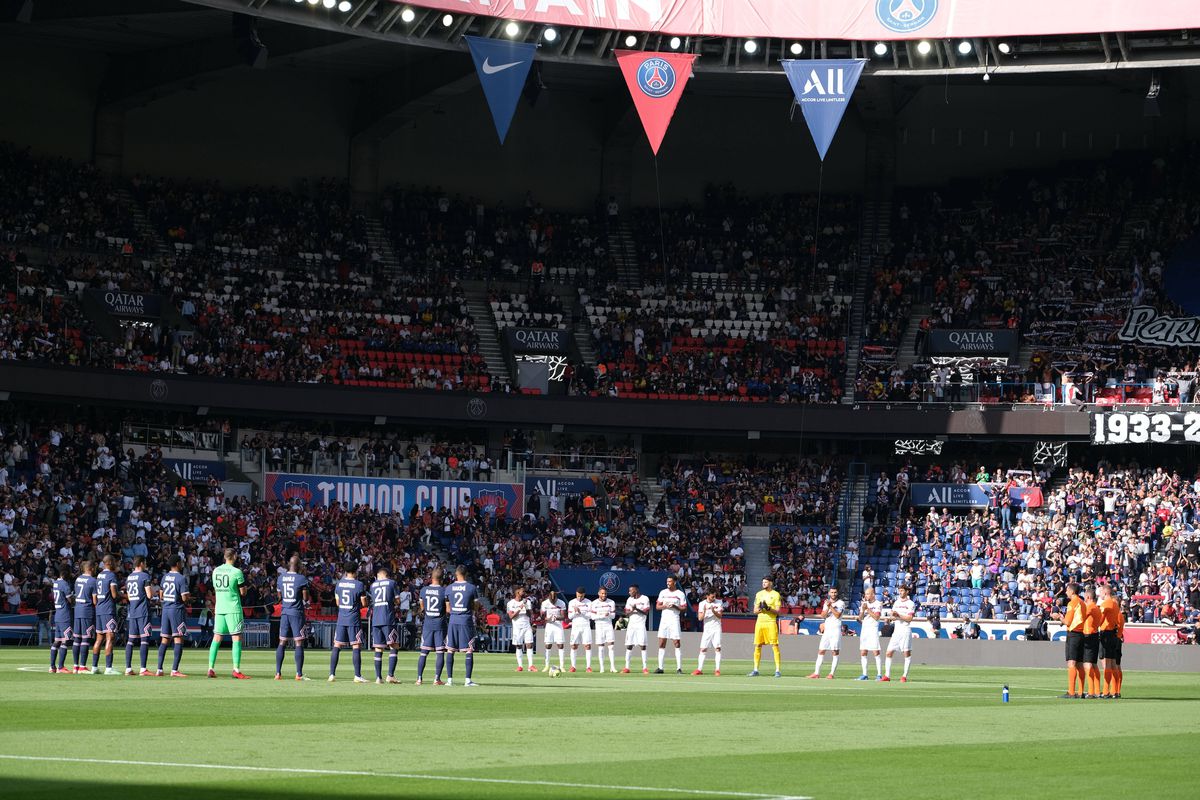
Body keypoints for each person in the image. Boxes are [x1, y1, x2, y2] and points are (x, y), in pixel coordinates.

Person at [207, 548, 249, 680]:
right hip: (233, 608)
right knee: (236, 638)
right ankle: (236, 669)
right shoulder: (237, 572)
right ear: (234, 556)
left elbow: (215, 588)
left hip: (219, 608)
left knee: (217, 638)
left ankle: (210, 668)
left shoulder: (216, 571)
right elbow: (243, 592)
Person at [329, 563, 367, 683]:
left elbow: (337, 603)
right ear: (355, 571)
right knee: (356, 646)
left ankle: (332, 674)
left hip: (341, 618)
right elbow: (364, 603)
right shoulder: (359, 584)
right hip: (353, 619)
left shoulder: (339, 584)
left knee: (337, 645)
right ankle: (357, 675)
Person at [275, 555, 310, 680]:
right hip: (296, 612)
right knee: (298, 642)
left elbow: (279, 596)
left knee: (282, 641)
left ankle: (278, 673)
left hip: (285, 612)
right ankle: (298, 674)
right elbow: (305, 598)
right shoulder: (301, 578)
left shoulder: (281, 578)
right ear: (299, 565)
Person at [444, 565, 479, 686]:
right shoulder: (471, 588)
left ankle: (449, 680)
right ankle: (467, 680)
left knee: (450, 650)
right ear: (466, 574)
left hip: (453, 620)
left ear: (456, 574)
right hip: (466, 620)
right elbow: (476, 606)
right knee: (469, 649)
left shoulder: (449, 588)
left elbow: (447, 609)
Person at [156, 556, 191, 678]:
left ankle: (159, 669)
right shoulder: (181, 578)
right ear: (177, 563)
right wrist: (188, 598)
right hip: (176, 610)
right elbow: (184, 598)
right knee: (178, 639)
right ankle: (174, 670)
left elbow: (161, 595)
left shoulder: (164, 577)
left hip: (165, 609)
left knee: (165, 639)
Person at [369, 566, 401, 684]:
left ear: (379, 576)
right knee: (394, 645)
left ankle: (378, 677)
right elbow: (398, 601)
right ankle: (390, 675)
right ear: (387, 575)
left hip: (376, 619)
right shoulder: (392, 583)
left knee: (378, 648)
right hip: (388, 618)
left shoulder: (373, 585)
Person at [1054, 582, 1087, 698]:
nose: (1066, 592)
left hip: (1073, 634)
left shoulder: (1072, 603)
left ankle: (1072, 692)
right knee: (1079, 664)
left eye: (1067, 590)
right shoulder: (1082, 603)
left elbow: (1068, 622)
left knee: (1071, 662)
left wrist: (1059, 617)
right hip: (1081, 634)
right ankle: (1081, 691)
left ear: (1072, 591)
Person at [123, 556, 155, 676]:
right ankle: (143, 669)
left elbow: (129, 596)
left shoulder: (129, 577)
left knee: (131, 640)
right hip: (143, 612)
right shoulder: (145, 576)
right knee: (144, 639)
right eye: (145, 562)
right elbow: (149, 595)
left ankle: (128, 668)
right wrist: (152, 592)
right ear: (141, 563)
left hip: (133, 611)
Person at [416, 567, 446, 685]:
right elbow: (447, 609)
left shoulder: (424, 590)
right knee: (440, 652)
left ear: (431, 577)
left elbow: (422, 606)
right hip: (440, 623)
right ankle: (436, 679)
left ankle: (419, 679)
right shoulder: (444, 591)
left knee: (424, 652)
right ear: (442, 578)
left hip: (428, 623)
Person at [749, 577, 782, 678]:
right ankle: (755, 669)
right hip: (760, 622)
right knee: (758, 645)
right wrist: (761, 609)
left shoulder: (776, 594)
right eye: (763, 582)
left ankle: (777, 670)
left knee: (774, 645)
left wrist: (768, 608)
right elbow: (754, 611)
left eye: (766, 582)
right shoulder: (759, 594)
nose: (763, 584)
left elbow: (777, 611)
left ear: (770, 583)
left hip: (771, 622)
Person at [92, 555, 120, 675]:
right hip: (108, 610)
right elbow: (114, 595)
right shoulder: (111, 575)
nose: (116, 564)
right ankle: (108, 668)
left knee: (99, 638)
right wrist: (123, 595)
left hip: (99, 609)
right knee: (110, 637)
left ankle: (94, 667)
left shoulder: (99, 576)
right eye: (114, 561)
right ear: (109, 562)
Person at [810, 587, 845, 679]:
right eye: (832, 592)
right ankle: (816, 673)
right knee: (821, 650)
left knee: (835, 651)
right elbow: (823, 615)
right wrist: (827, 607)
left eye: (835, 592)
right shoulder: (827, 603)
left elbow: (837, 615)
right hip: (827, 629)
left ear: (837, 593)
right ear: (829, 593)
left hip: (835, 629)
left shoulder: (841, 603)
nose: (833, 594)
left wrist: (830, 606)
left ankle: (831, 674)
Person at [655, 576, 688, 674]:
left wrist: (674, 606)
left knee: (676, 643)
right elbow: (657, 606)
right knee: (661, 643)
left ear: (675, 582)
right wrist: (665, 606)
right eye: (667, 581)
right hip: (664, 619)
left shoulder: (680, 594)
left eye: (670, 581)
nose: (668, 583)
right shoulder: (663, 592)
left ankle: (679, 668)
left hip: (674, 619)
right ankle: (660, 668)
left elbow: (684, 608)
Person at [883, 584, 916, 682]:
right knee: (889, 652)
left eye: (902, 590)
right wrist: (891, 617)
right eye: (899, 590)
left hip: (905, 630)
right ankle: (887, 676)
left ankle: (904, 676)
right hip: (896, 631)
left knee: (906, 653)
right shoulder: (896, 602)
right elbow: (894, 617)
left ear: (906, 592)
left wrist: (898, 615)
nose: (900, 592)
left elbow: (909, 619)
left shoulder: (910, 604)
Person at [71, 561, 98, 673]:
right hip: (87, 611)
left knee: (77, 639)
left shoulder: (78, 579)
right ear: (91, 568)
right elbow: (95, 600)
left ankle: (75, 666)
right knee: (86, 639)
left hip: (77, 611)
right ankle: (83, 666)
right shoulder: (93, 581)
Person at [1097, 584, 1123, 698]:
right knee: (1113, 663)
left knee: (1107, 663)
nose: (1100, 594)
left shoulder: (1106, 604)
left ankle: (1106, 691)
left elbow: (1100, 619)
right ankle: (1114, 691)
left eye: (1101, 592)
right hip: (1113, 634)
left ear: (1106, 592)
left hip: (1106, 633)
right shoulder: (1115, 605)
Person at [693, 588, 723, 676]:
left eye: (715, 595)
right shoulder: (702, 604)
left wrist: (713, 611)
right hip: (707, 629)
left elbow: (720, 616)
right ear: (707, 595)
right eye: (712, 596)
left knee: (717, 648)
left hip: (716, 628)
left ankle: (717, 669)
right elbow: (700, 618)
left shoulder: (719, 602)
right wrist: (706, 610)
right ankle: (699, 669)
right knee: (703, 649)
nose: (714, 597)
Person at [50, 563, 73, 674]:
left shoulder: (55, 583)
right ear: (66, 573)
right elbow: (70, 600)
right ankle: (61, 667)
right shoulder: (65, 584)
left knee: (57, 641)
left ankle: (52, 666)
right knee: (65, 641)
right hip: (65, 615)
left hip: (57, 615)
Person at [857, 587, 884, 681]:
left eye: (868, 594)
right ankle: (864, 674)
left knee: (875, 651)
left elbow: (877, 617)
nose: (866, 596)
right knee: (863, 651)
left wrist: (867, 609)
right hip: (864, 629)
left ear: (873, 594)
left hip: (873, 629)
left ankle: (879, 674)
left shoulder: (878, 604)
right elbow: (860, 618)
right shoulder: (864, 604)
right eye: (865, 594)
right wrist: (861, 614)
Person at [622, 584, 650, 673]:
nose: (629, 592)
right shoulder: (629, 600)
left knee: (643, 645)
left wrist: (636, 609)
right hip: (631, 626)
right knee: (629, 645)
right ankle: (627, 667)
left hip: (641, 625)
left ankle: (645, 668)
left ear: (636, 590)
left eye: (631, 590)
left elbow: (646, 612)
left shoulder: (645, 598)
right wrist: (632, 610)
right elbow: (626, 613)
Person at [1080, 586, 1103, 698]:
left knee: (1088, 663)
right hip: (1095, 634)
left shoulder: (1090, 607)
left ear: (1088, 597)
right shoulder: (1097, 608)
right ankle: (1097, 690)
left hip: (1088, 635)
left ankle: (1091, 691)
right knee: (1093, 664)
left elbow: (1081, 617)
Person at [506, 587, 536, 672]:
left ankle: (531, 666)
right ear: (517, 592)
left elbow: (530, 615)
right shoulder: (510, 603)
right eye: (523, 591)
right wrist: (519, 608)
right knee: (518, 646)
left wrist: (526, 607)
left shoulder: (527, 601)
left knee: (529, 644)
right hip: (517, 627)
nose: (525, 593)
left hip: (526, 626)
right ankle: (520, 666)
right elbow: (511, 616)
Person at [591, 587, 617, 673]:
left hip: (608, 625)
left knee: (611, 646)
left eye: (605, 593)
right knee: (601, 648)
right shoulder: (594, 603)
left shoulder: (611, 602)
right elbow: (592, 617)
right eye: (602, 593)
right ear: (599, 593)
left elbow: (613, 616)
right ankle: (602, 668)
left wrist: (608, 614)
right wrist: (602, 615)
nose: (604, 595)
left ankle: (612, 667)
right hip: (599, 626)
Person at [567, 587, 593, 673]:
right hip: (575, 626)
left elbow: (591, 616)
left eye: (581, 596)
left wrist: (581, 611)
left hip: (585, 625)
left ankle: (588, 667)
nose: (579, 598)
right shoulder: (572, 602)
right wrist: (575, 612)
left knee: (587, 646)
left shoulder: (589, 602)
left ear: (584, 595)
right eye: (578, 596)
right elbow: (569, 617)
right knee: (574, 645)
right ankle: (573, 666)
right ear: (576, 594)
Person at [540, 589, 567, 672]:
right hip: (549, 625)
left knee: (560, 645)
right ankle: (546, 666)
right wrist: (547, 618)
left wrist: (556, 618)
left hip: (558, 625)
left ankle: (562, 666)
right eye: (551, 600)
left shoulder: (561, 603)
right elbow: (542, 616)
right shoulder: (544, 603)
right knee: (548, 645)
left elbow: (563, 617)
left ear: (556, 598)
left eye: (554, 600)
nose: (553, 602)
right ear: (548, 597)